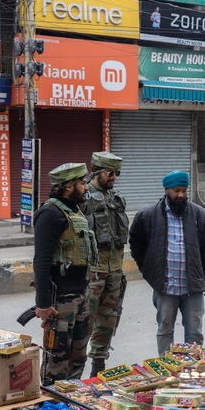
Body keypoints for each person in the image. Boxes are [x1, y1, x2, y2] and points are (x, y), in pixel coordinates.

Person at [129, 170, 205, 355]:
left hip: (192, 286)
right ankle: (166, 371)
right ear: (166, 190)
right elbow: (136, 244)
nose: (181, 195)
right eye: (176, 191)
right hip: (165, 286)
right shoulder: (148, 215)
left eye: (184, 191)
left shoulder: (200, 215)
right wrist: (148, 270)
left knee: (195, 332)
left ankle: (192, 371)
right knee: (165, 330)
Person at [33, 163, 97, 384]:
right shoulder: (50, 213)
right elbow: (40, 260)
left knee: (79, 357)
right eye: (82, 183)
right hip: (60, 300)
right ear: (69, 186)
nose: (87, 187)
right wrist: (43, 304)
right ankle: (51, 406)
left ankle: (71, 403)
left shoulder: (75, 211)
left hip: (81, 295)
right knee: (56, 361)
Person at [81, 152, 129, 378]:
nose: (114, 178)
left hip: (114, 271)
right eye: (110, 173)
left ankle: (97, 369)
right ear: (97, 171)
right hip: (92, 273)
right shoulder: (83, 198)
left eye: (117, 174)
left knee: (108, 322)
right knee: (83, 324)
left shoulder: (115, 198)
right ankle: (74, 372)